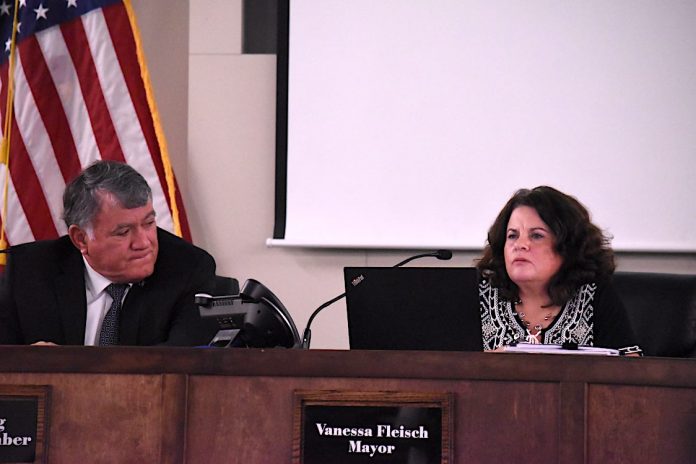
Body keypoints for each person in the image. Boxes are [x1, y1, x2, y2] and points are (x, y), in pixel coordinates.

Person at [0, 160, 218, 346]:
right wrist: (26, 361)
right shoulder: (30, 271)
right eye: (123, 232)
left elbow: (179, 366)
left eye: (149, 223)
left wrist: (66, 365)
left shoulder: (188, 269)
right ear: (81, 239)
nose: (143, 243)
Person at [476, 186, 642, 355]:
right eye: (512, 235)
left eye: (536, 235)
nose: (520, 245)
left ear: (568, 246)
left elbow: (631, 369)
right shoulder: (477, 295)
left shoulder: (594, 296)